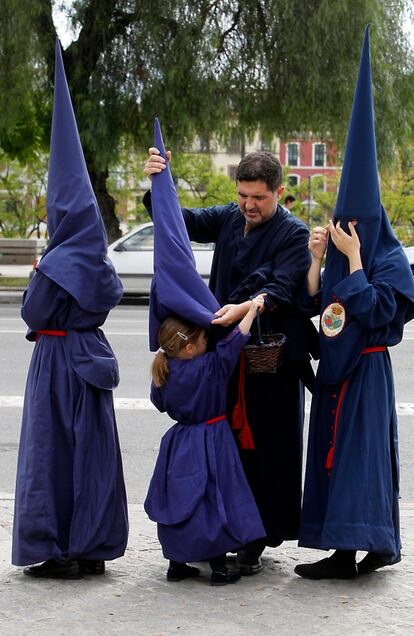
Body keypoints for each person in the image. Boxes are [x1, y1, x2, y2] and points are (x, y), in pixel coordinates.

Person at [144, 148, 318, 575]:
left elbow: (281, 288)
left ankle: (255, 540)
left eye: (258, 197)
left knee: (266, 451)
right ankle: (217, 531)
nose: (249, 205)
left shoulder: (293, 235)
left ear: (279, 192)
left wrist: (246, 307)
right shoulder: (227, 217)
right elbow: (178, 220)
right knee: (224, 453)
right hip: (222, 356)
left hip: (268, 362)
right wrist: (158, 184)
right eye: (243, 195)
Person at [294, 27, 414, 580]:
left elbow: (378, 313)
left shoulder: (385, 256)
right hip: (336, 373)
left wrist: (358, 258)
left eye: (357, 221)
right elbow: (325, 311)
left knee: (361, 464)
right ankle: (339, 549)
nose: (347, 227)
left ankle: (367, 548)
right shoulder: (341, 248)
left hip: (366, 375)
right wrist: (321, 260)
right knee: (333, 460)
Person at [12, 40, 128, 579]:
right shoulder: (99, 257)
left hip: (57, 362)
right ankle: (93, 546)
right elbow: (106, 298)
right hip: (92, 358)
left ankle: (56, 548)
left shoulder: (57, 261)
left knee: (52, 453)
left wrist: (39, 273)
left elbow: (33, 317)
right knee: (94, 456)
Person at [144, 296, 266, 585]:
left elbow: (159, 403)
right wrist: (252, 308)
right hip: (212, 438)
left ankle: (176, 564)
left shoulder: (163, 371)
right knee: (213, 499)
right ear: (189, 347)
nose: (207, 343)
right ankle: (219, 568)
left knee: (180, 500)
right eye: (202, 340)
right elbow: (236, 341)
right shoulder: (210, 366)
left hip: (178, 442)